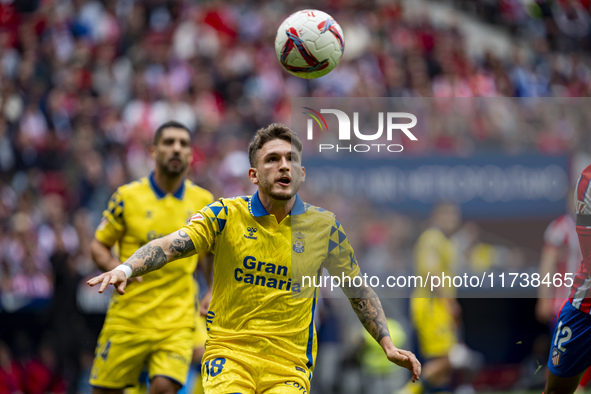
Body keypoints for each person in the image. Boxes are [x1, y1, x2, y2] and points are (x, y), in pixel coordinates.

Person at [87, 123, 421, 394]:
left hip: (289, 365)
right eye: (272, 159)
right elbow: (173, 244)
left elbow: (358, 290)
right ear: (253, 175)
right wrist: (126, 266)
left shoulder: (324, 227)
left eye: (291, 159)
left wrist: (387, 344)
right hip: (230, 357)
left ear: (302, 174)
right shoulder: (224, 214)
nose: (283, 166)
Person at [89, 121, 214, 394]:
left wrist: (212, 289)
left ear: (191, 155)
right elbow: (98, 247)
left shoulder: (204, 201)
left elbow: (211, 254)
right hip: (129, 315)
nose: (176, 149)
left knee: (163, 387)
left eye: (183, 144)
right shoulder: (127, 197)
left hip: (176, 320)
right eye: (169, 142)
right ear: (153, 151)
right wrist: (117, 269)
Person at [402, 203, 462, 394]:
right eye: (447, 215)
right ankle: (407, 391)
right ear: (436, 216)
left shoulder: (444, 240)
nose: (452, 220)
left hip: (435, 305)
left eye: (454, 216)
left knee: (443, 363)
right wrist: (450, 303)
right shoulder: (433, 238)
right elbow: (431, 273)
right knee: (448, 357)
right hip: (432, 305)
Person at [543, 163, 591, 394]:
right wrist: (543, 298)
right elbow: (548, 264)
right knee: (559, 379)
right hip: (575, 302)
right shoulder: (559, 228)